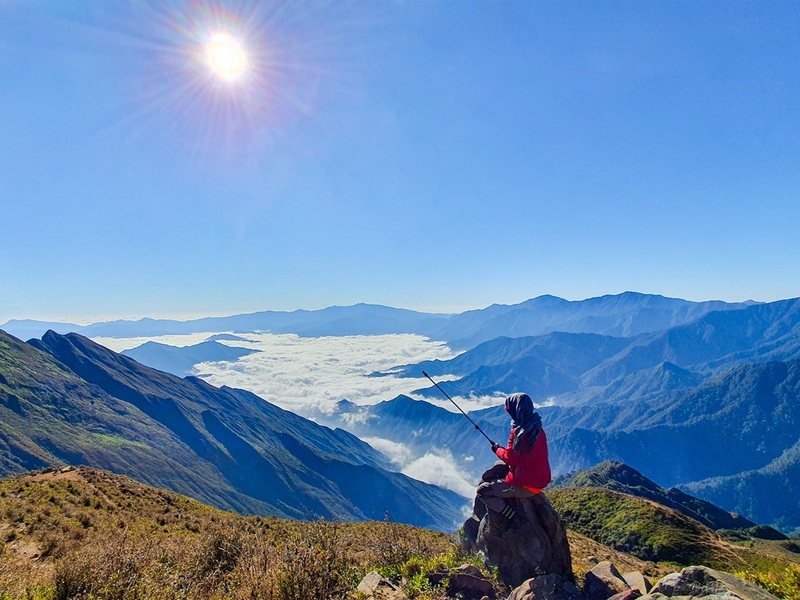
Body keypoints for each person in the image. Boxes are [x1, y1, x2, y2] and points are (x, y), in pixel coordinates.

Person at [475, 392, 551, 521]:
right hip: (540, 480)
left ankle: (511, 515)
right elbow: (519, 456)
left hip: (526, 486)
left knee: (482, 491)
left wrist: (497, 449)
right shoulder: (537, 428)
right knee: (499, 466)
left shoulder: (518, 434)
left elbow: (510, 458)